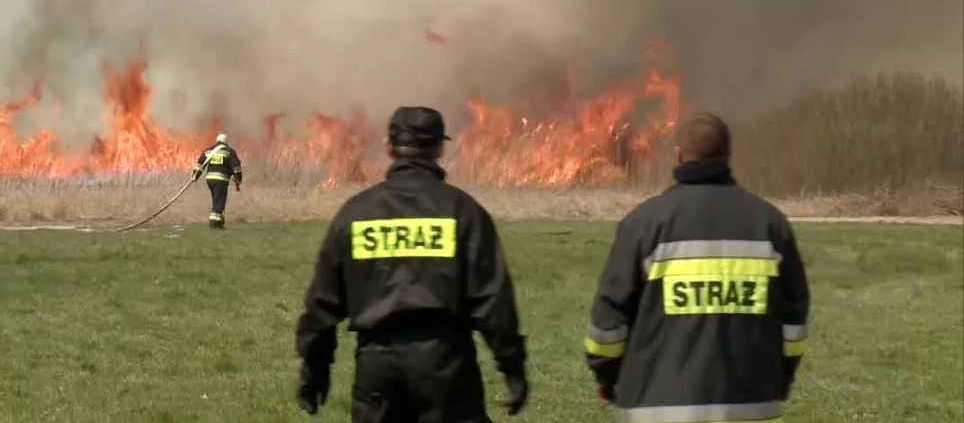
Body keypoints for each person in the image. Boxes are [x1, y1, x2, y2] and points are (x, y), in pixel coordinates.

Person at [294, 106, 529, 422]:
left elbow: (322, 303)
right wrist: (511, 364)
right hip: (444, 361)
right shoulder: (461, 210)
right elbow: (492, 299)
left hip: (376, 366)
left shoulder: (356, 213)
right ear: (439, 148)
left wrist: (315, 367)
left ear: (390, 147)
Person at [584, 113, 810, 422]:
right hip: (751, 404)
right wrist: (779, 380)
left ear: (679, 154)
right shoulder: (769, 225)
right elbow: (794, 324)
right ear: (728, 155)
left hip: (656, 408)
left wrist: (609, 380)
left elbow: (607, 323)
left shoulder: (644, 224)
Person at [191, 133, 243, 229]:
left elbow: (200, 165)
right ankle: (214, 224)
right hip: (221, 180)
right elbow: (236, 167)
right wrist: (238, 179)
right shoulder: (229, 151)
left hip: (210, 180)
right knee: (219, 201)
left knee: (217, 200)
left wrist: (195, 176)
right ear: (226, 142)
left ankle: (219, 222)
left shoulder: (208, 150)